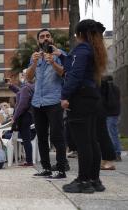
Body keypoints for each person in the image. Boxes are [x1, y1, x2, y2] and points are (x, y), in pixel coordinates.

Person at [56, 19, 108, 193]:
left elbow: (75, 74)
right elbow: (76, 67)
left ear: (80, 34)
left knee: (83, 142)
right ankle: (94, 180)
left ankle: (83, 181)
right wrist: (63, 56)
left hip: (80, 99)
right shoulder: (93, 49)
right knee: (92, 140)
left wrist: (64, 95)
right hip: (92, 97)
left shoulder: (82, 49)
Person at [26, 28, 68, 179]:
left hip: (54, 101)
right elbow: (29, 78)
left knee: (57, 136)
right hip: (37, 102)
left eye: (48, 36)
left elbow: (65, 73)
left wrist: (53, 62)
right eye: (42, 37)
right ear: (38, 40)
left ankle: (61, 169)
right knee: (42, 137)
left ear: (51, 39)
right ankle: (46, 168)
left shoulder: (60, 54)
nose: (45, 38)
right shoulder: (35, 57)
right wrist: (34, 63)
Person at [7, 69, 34, 166]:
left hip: (24, 115)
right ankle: (29, 160)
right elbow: (19, 92)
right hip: (28, 115)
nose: (21, 76)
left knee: (26, 138)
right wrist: (11, 85)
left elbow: (22, 104)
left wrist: (15, 117)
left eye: (23, 74)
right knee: (26, 138)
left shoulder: (26, 87)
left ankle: (29, 161)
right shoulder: (28, 87)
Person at [101, 75, 122, 162]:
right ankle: (116, 153)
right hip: (115, 113)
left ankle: (116, 153)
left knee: (112, 133)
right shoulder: (116, 88)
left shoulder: (107, 88)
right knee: (114, 133)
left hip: (109, 113)